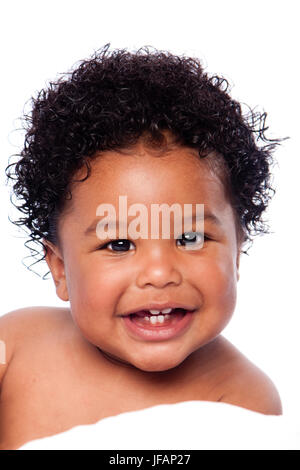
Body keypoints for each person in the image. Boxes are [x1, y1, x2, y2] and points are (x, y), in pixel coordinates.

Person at [0, 44, 282, 450]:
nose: (159, 273)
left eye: (190, 238)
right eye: (118, 243)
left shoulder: (242, 398)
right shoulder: (18, 343)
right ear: (60, 269)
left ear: (236, 253)